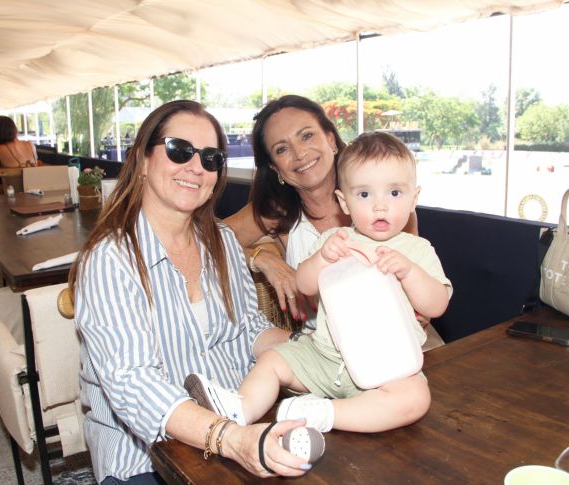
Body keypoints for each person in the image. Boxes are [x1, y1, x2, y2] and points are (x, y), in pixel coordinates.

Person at [68, 100, 312, 483]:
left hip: (236, 421)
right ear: (142, 160)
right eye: (179, 150)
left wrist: (312, 352)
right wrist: (229, 439)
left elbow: (247, 329)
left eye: (211, 158)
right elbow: (134, 383)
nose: (197, 167)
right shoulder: (110, 259)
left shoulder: (223, 241)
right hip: (146, 457)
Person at [189, 131, 452, 434]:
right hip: (324, 357)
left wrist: (410, 273)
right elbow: (304, 284)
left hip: (388, 368)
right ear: (344, 202)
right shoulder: (334, 240)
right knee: (272, 360)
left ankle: (323, 413)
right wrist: (321, 259)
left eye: (394, 193)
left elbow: (437, 305)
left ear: (414, 198)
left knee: (414, 399)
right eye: (364, 195)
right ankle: (239, 409)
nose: (380, 206)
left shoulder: (417, 250)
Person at [223, 95, 443, 350]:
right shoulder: (276, 211)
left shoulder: (387, 209)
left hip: (402, 339)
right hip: (325, 349)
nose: (300, 153)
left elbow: (421, 289)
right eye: (282, 149)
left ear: (330, 139)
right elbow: (203, 238)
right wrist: (263, 259)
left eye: (307, 136)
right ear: (275, 167)